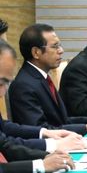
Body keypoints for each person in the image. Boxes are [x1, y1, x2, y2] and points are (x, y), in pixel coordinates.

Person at [9, 24, 87, 135]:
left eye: (59, 45)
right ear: (36, 52)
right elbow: (40, 131)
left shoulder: (41, 77)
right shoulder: (24, 85)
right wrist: (85, 128)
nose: (61, 51)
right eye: (55, 46)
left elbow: (61, 120)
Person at [0, 39, 75, 172]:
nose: (2, 92)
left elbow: (3, 140)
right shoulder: (24, 83)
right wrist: (39, 165)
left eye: (6, 84)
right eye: (1, 83)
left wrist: (47, 154)